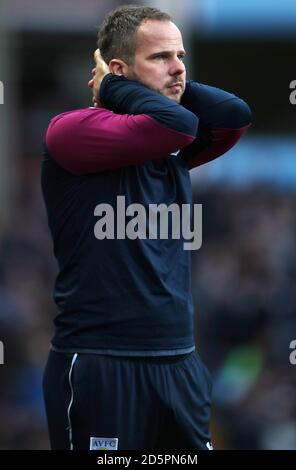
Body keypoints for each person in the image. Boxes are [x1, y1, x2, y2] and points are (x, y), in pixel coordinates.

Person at [41, 5, 251, 451]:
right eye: (160, 57)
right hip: (103, 361)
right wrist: (119, 89)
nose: (178, 68)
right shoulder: (71, 132)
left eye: (181, 55)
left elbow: (234, 114)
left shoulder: (171, 143)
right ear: (114, 70)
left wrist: (159, 82)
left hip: (178, 361)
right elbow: (178, 123)